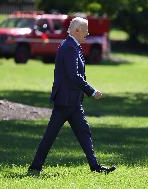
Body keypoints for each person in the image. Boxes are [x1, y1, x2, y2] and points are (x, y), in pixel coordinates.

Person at [28, 17, 116, 175]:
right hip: (65, 101)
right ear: (76, 30)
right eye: (85, 30)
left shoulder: (72, 45)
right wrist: (92, 91)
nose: (88, 33)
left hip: (72, 102)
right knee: (50, 136)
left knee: (84, 133)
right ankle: (35, 167)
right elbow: (73, 75)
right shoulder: (69, 46)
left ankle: (95, 167)